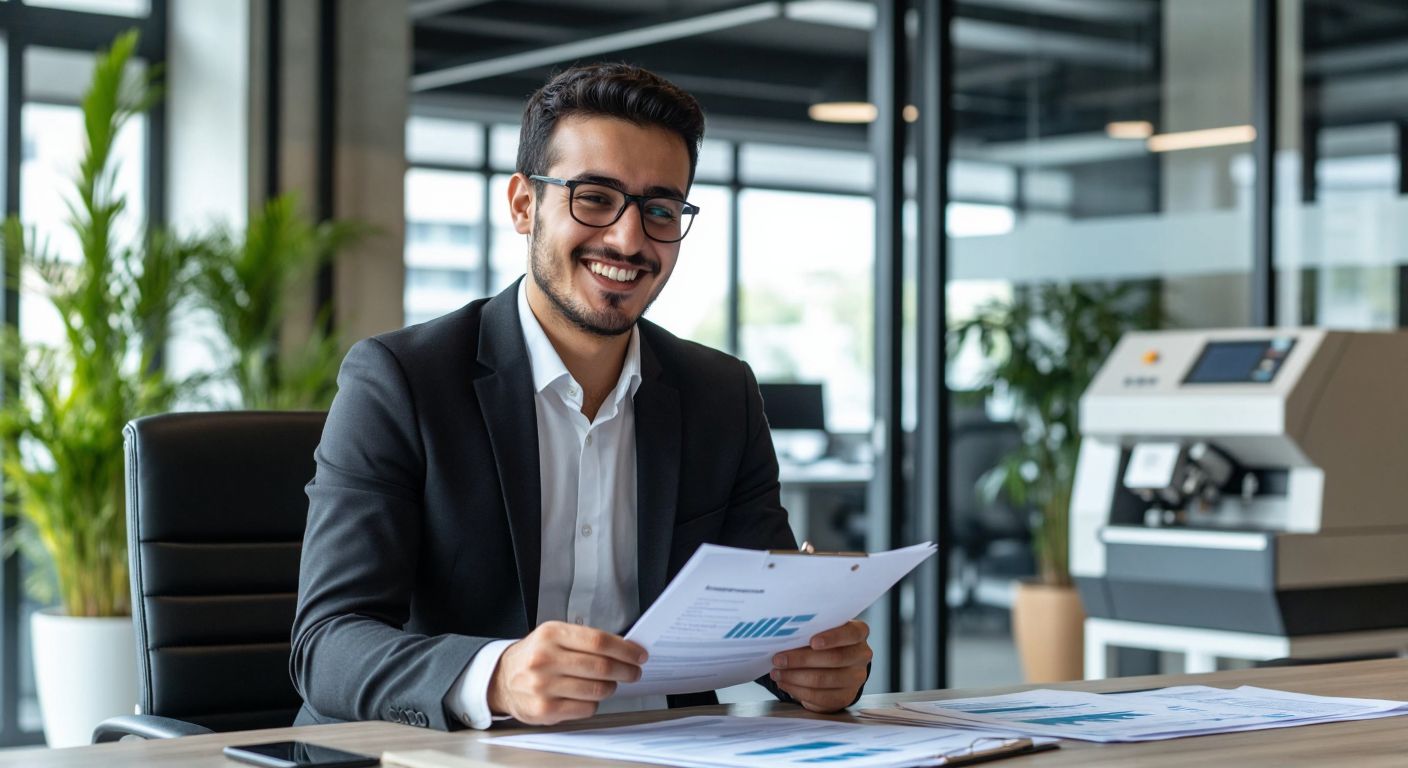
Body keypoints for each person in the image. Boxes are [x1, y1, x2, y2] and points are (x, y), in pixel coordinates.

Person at [290, 62, 872, 731]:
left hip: (674, 748)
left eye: (659, 209)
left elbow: (770, 625)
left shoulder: (721, 395)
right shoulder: (401, 382)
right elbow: (327, 646)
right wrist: (497, 676)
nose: (628, 240)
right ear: (523, 204)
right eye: (595, 197)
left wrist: (822, 668)